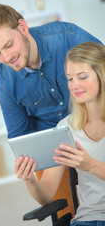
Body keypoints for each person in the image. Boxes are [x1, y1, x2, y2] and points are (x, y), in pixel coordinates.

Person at [0, 4, 103, 139]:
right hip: (56, 148)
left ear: (22, 27)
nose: (7, 58)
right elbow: (19, 136)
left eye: (9, 45)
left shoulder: (69, 37)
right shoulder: (4, 82)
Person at [14, 42, 105, 226]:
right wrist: (30, 180)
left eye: (82, 77)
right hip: (88, 220)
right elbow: (47, 195)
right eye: (70, 79)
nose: (74, 85)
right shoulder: (66, 128)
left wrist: (91, 165)